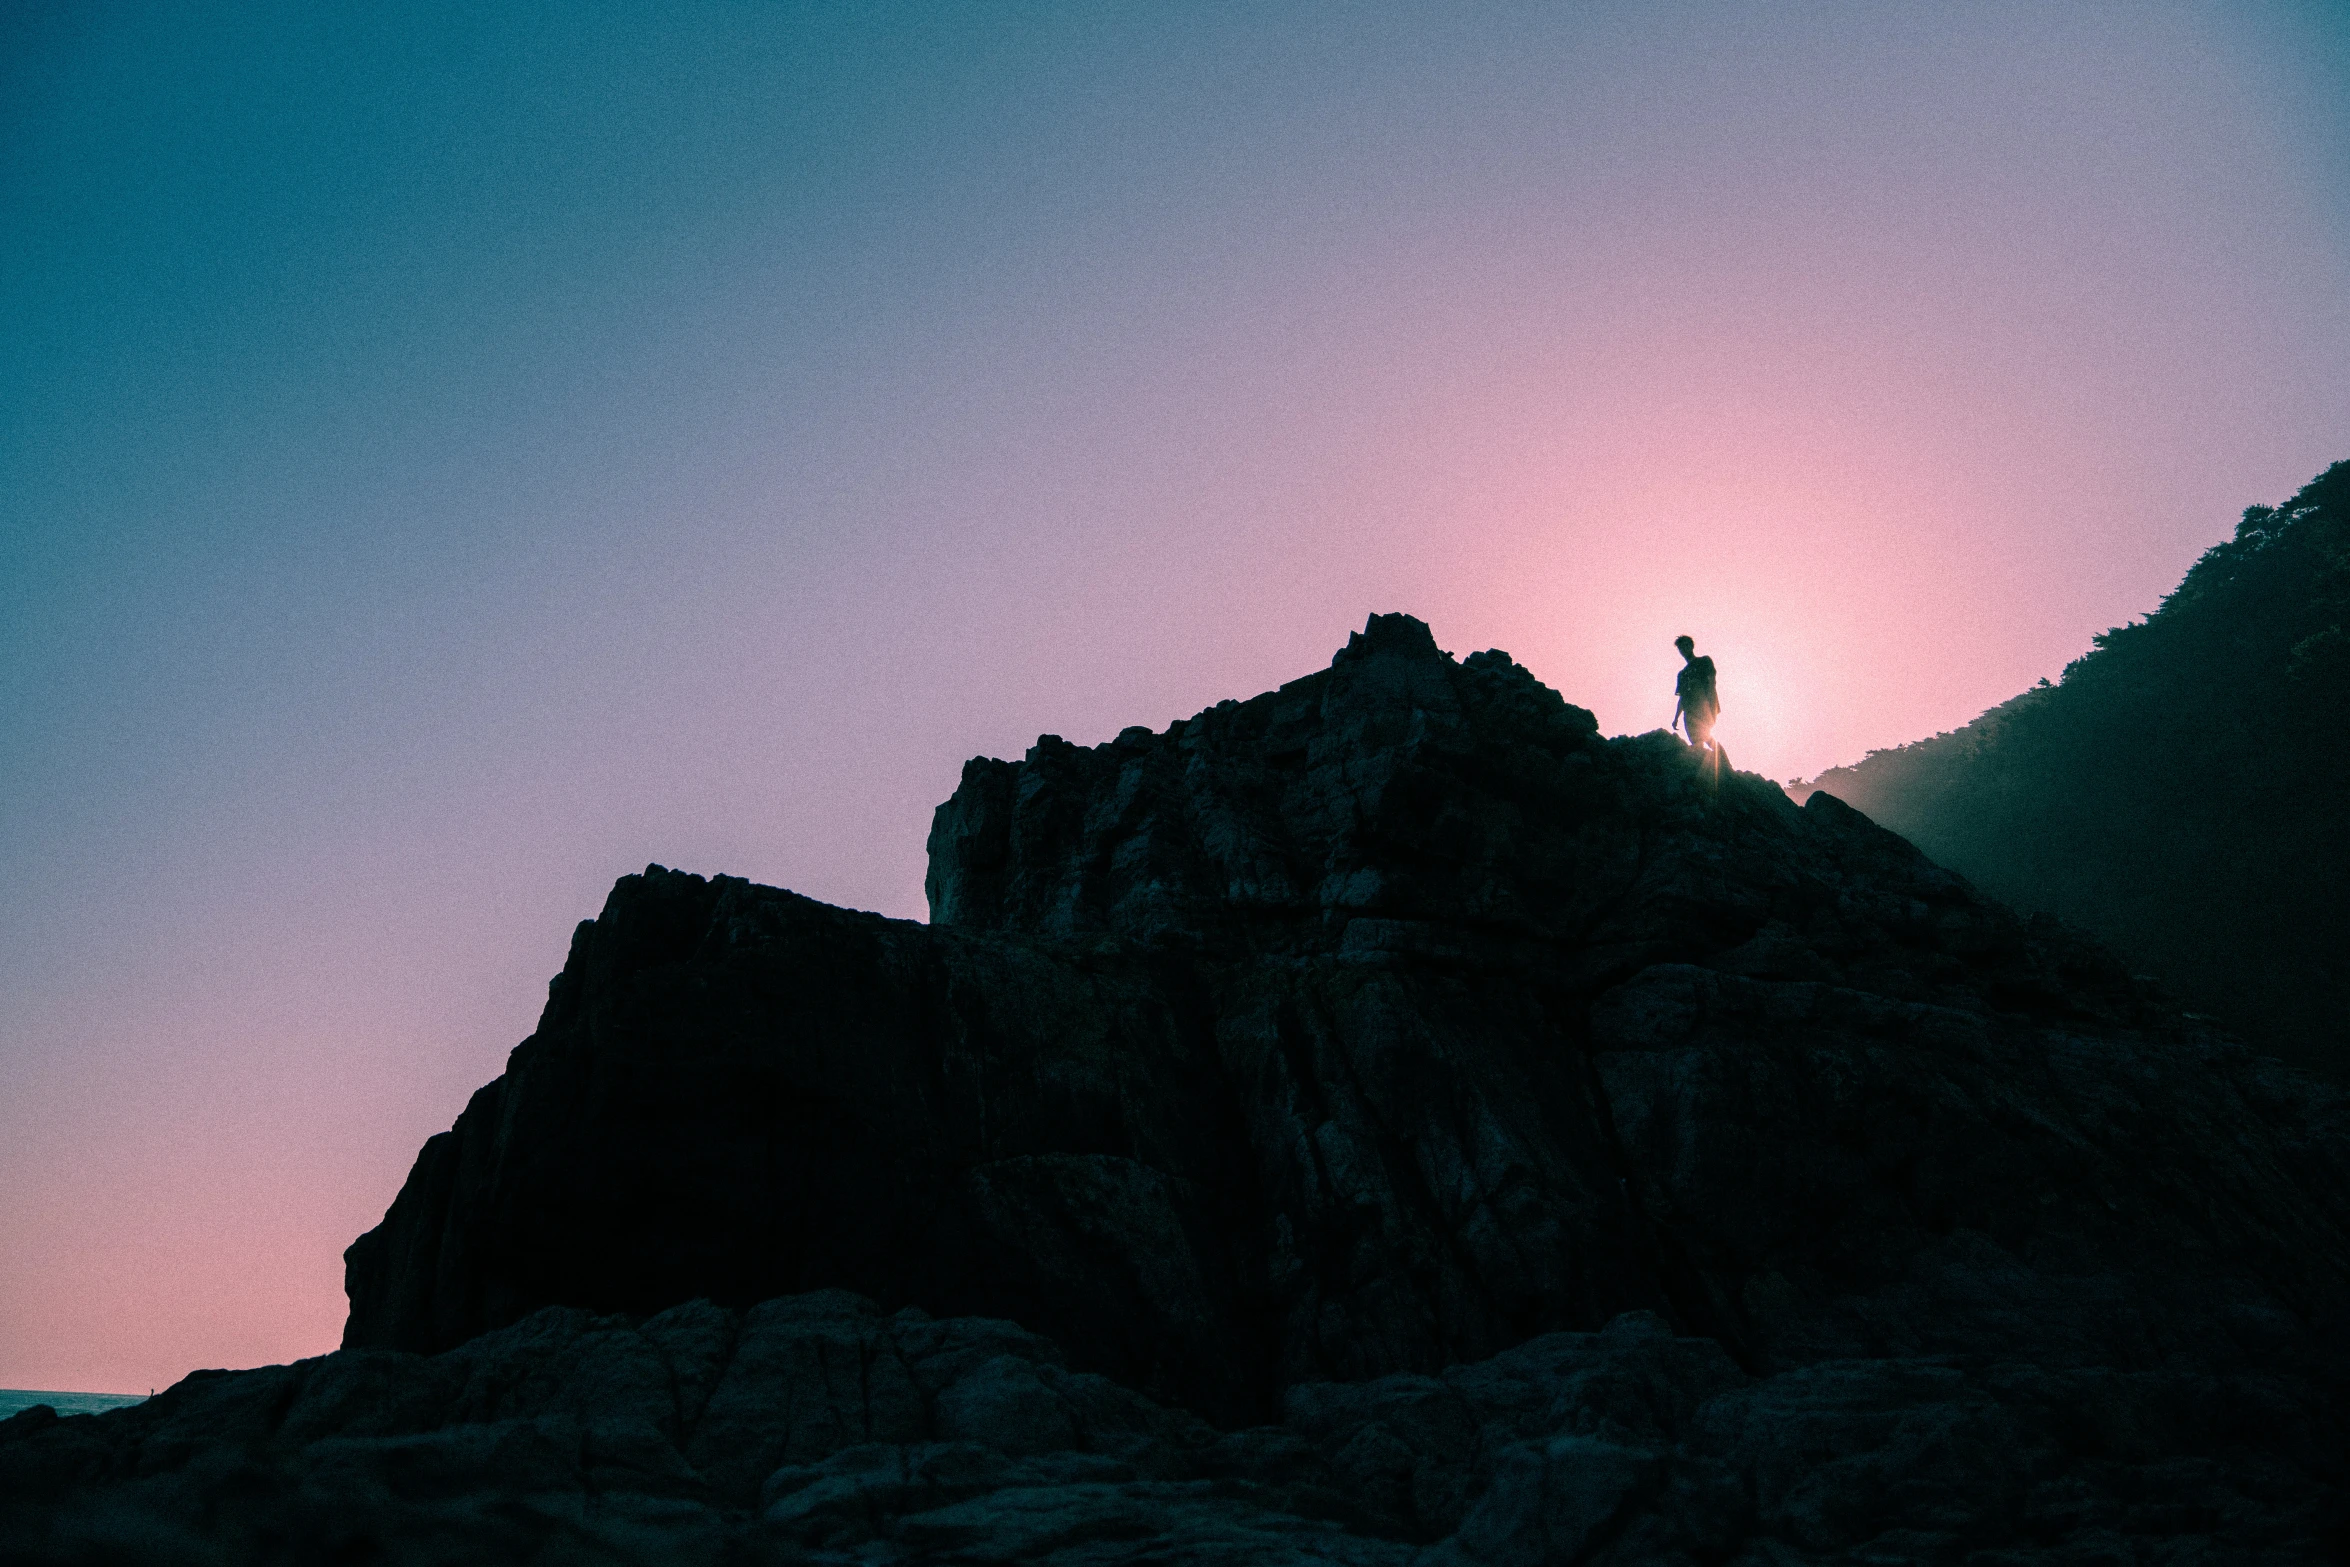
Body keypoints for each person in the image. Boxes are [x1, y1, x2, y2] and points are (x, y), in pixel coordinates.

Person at [1671, 635, 1721, 764]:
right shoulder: (1682, 674)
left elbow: (1711, 682)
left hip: (1704, 707)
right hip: (1689, 713)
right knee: (1697, 743)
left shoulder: (1704, 661)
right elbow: (1682, 698)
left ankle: (1723, 766)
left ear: (1692, 646)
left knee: (1708, 738)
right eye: (1680, 648)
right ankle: (1705, 769)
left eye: (1686, 646)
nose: (1683, 650)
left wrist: (1711, 706)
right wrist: (1676, 717)